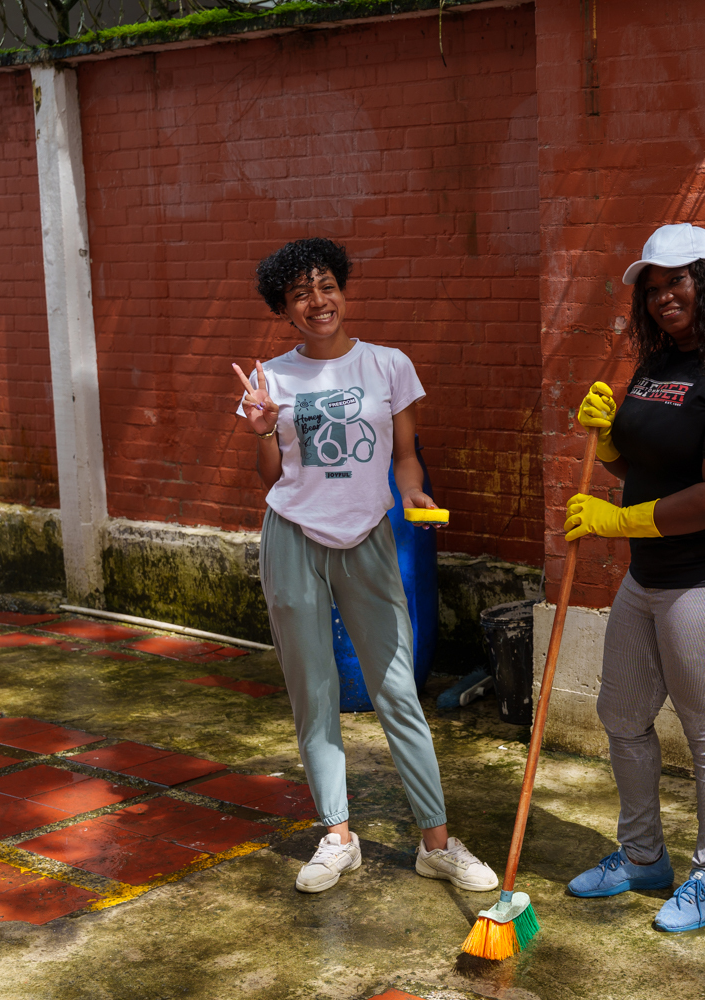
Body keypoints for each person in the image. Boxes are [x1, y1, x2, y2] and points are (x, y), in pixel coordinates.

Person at [231, 237, 497, 895]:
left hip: (369, 537)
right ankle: (337, 836)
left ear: (342, 291)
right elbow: (269, 475)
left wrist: (411, 492)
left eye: (326, 286)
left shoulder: (388, 365)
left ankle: (436, 844)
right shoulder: (271, 378)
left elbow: (405, 454)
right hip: (292, 536)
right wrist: (263, 426)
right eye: (301, 294)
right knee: (312, 688)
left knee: (397, 689)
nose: (317, 301)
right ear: (285, 310)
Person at [562, 223, 705, 932]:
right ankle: (641, 858)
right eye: (653, 288)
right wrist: (607, 444)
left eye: (678, 282)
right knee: (622, 716)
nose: (664, 298)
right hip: (649, 576)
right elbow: (649, 473)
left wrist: (616, 523)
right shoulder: (658, 366)